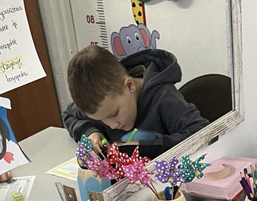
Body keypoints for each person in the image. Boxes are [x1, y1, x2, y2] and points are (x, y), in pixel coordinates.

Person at [64, 45, 208, 158]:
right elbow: (69, 115)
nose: (112, 125)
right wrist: (90, 132)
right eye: (101, 120)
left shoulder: (163, 97)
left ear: (129, 86)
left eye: (114, 114)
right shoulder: (103, 104)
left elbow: (202, 132)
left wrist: (150, 146)